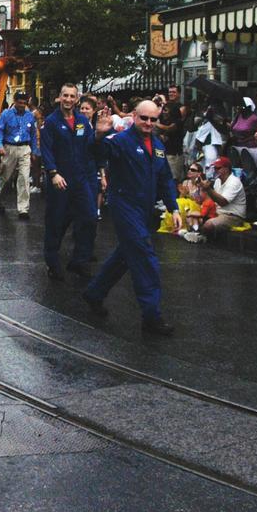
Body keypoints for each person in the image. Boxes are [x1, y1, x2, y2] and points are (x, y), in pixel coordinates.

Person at [80, 100, 181, 335]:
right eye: (144, 118)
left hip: (144, 208)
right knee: (145, 257)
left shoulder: (157, 145)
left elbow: (165, 178)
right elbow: (97, 153)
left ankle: (94, 293)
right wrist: (98, 135)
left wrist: (173, 208)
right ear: (134, 116)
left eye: (153, 119)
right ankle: (151, 315)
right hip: (124, 205)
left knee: (126, 254)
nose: (148, 123)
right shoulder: (121, 141)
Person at [40, 83, 98, 280]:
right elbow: (46, 150)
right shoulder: (51, 121)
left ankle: (79, 261)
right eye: (65, 95)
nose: (68, 100)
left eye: (72, 96)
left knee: (89, 217)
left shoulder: (82, 121)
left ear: (77, 99)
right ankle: (52, 261)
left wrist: (100, 135)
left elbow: (91, 149)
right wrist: (53, 173)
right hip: (60, 180)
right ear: (59, 97)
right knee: (56, 221)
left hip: (81, 179)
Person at [0, 90, 37, 218]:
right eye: (19, 102)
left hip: (24, 148)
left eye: (24, 103)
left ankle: (23, 209)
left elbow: (33, 134)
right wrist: (0, 145)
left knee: (24, 178)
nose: (21, 105)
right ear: (14, 101)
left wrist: (34, 150)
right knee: (6, 179)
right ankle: (2, 202)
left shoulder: (30, 116)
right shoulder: (6, 114)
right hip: (9, 148)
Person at [195, 156, 247, 243]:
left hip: (233, 216)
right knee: (195, 216)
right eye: (214, 168)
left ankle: (202, 238)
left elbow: (223, 202)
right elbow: (213, 199)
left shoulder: (234, 182)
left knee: (208, 225)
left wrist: (208, 189)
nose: (215, 170)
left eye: (218, 168)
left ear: (226, 169)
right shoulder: (218, 181)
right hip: (219, 212)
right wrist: (202, 188)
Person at [157, 86, 186, 180]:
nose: (171, 94)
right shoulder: (164, 108)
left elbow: (172, 126)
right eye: (169, 92)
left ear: (179, 94)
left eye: (174, 92)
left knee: (173, 177)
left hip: (175, 150)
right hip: (164, 149)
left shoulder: (181, 108)